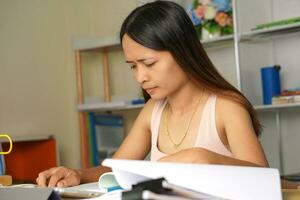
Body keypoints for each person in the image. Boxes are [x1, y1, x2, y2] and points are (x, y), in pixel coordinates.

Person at [36, 1, 298, 189]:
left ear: (183, 51)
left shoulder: (226, 107)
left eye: (149, 64)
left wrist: (204, 158)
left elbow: (266, 180)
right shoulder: (154, 110)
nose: (140, 77)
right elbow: (115, 168)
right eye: (133, 66)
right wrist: (77, 174)